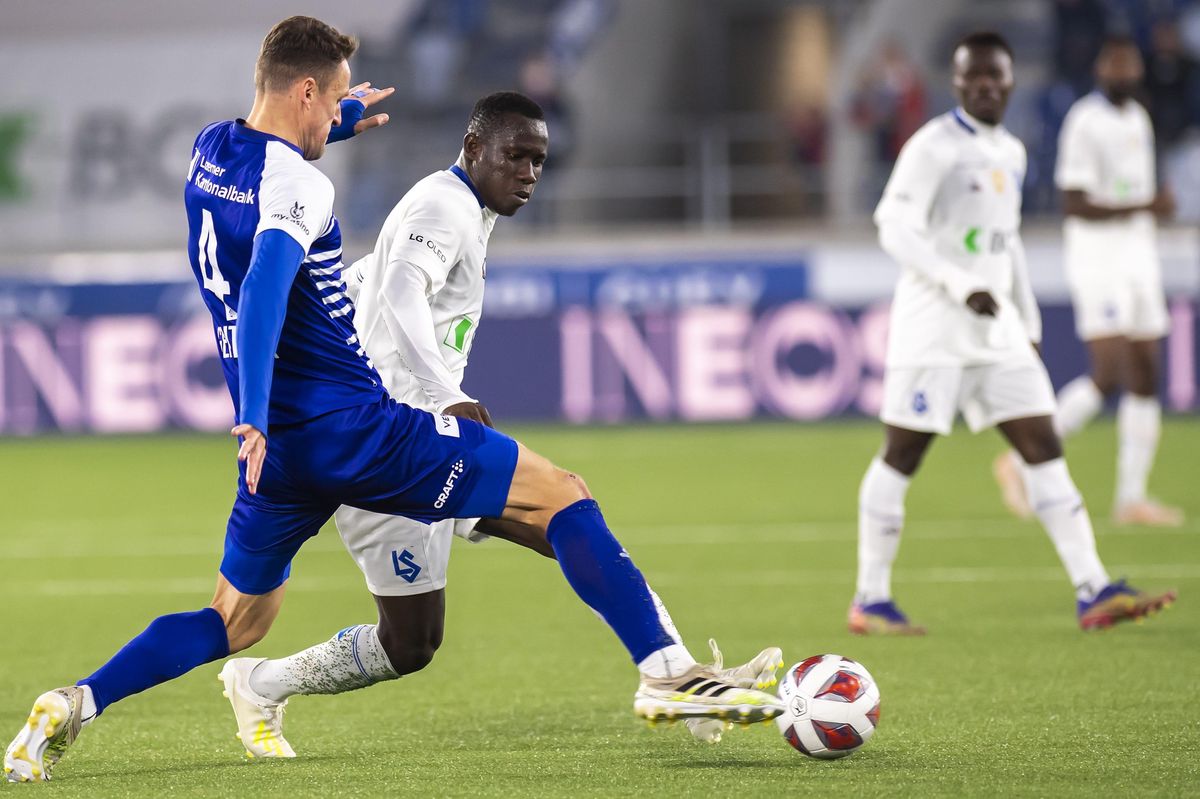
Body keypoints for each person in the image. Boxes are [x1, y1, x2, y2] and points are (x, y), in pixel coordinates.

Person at [3, 16, 780, 784]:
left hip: (279, 455)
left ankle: (75, 702)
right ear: (305, 90)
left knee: (233, 620)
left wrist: (331, 126)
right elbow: (269, 282)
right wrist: (260, 404)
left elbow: (266, 192)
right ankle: (667, 672)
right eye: (334, 97)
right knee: (559, 496)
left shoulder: (212, 150)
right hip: (357, 428)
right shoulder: (305, 187)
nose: (340, 111)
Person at [216, 91, 781, 756]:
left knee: (418, 637)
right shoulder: (444, 206)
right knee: (563, 501)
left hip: (399, 440)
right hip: (396, 442)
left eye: (539, 160)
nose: (529, 172)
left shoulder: (456, 209)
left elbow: (377, 281)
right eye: (516, 155)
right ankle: (670, 673)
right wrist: (445, 391)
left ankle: (257, 680)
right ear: (474, 148)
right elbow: (401, 290)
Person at [848, 31, 1176, 637]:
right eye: (974, 79)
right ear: (957, 82)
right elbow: (892, 224)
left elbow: (1009, 244)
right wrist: (952, 281)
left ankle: (1092, 589)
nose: (986, 88)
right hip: (934, 330)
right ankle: (871, 598)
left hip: (997, 332)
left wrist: (1025, 322)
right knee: (902, 455)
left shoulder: (1012, 152)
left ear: (1010, 81)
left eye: (996, 78)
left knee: (1044, 447)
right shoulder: (933, 146)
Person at [994, 35, 1183, 528]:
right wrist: (1146, 205)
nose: (1123, 74)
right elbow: (1073, 201)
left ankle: (1131, 497)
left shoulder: (1137, 118)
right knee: (1110, 372)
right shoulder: (1084, 120)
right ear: (1101, 69)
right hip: (1099, 258)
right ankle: (1017, 462)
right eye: (1114, 65)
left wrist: (1149, 211)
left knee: (1146, 373)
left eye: (1130, 65)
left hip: (1140, 255)